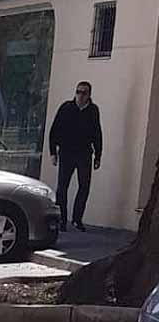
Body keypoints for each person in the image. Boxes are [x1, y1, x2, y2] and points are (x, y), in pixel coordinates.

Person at [48, 82, 103, 232]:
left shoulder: (92, 110)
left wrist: (98, 155)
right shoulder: (66, 108)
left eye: (84, 93)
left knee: (84, 186)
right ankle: (62, 220)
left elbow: (97, 133)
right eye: (78, 92)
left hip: (84, 153)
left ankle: (77, 219)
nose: (80, 95)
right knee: (62, 187)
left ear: (89, 95)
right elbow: (54, 130)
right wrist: (53, 152)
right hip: (66, 152)